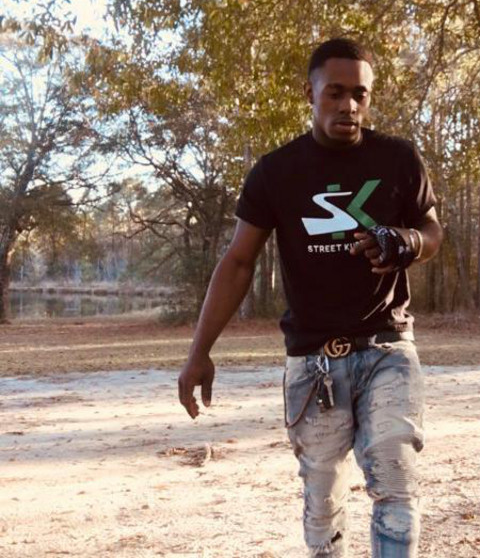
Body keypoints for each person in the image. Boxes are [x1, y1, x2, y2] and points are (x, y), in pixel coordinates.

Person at [178, 38, 443, 557]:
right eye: (335, 93)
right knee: (323, 503)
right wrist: (198, 351)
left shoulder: (398, 159)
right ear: (310, 93)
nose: (349, 106)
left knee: (396, 482)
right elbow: (238, 262)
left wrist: (407, 242)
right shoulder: (277, 172)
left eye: (360, 95)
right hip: (313, 360)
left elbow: (432, 231)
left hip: (388, 345)